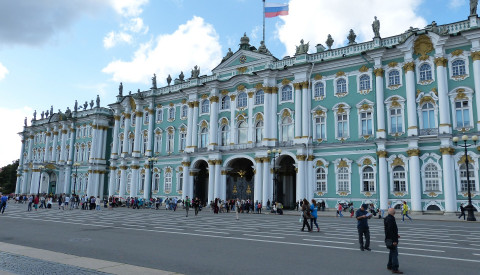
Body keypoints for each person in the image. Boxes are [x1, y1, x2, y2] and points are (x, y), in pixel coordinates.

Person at [385, 208, 402, 274]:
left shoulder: (386, 218)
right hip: (392, 239)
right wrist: (394, 240)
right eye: (394, 212)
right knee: (395, 253)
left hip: (388, 238)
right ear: (393, 213)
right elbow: (391, 230)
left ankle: (389, 265)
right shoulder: (391, 219)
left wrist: (396, 234)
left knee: (392, 252)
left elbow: (389, 230)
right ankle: (395, 268)